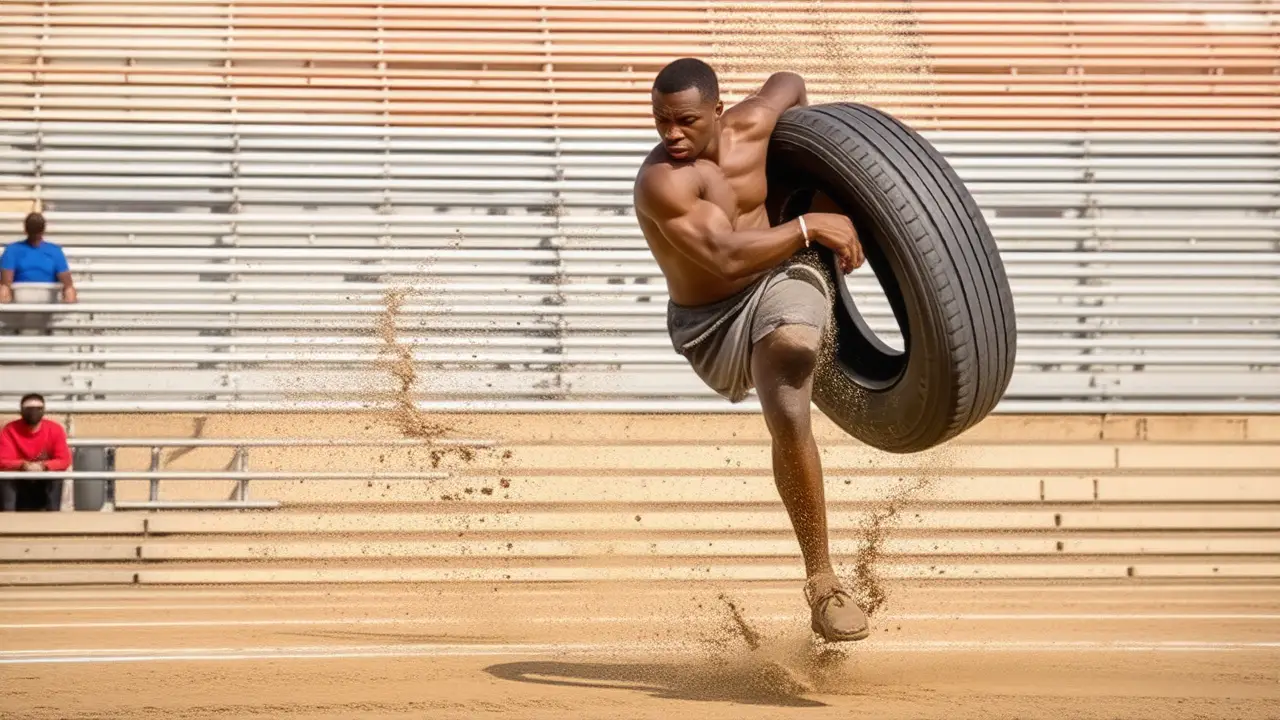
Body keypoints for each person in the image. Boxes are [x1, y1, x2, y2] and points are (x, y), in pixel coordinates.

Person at [632, 58, 870, 642]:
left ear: (718, 111)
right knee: (784, 350)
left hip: (780, 279)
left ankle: (823, 583)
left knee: (790, 349)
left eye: (685, 121)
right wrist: (810, 225)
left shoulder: (757, 122)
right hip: (710, 321)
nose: (671, 135)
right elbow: (725, 257)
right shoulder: (663, 180)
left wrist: (802, 180)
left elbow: (792, 81)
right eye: (660, 121)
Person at [0, 394, 72, 512]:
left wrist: (43, 466)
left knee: (56, 476)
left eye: (38, 408)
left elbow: (64, 460)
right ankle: (8, 521)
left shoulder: (54, 429)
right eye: (28, 409)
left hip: (44, 478)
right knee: (5, 477)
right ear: (21, 411)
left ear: (43, 411)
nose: (33, 412)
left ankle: (52, 520)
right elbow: (3, 460)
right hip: (18, 478)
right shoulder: (10, 430)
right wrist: (24, 465)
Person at [1, 212, 77, 304]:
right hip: (20, 302)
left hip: (47, 302)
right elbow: (5, 284)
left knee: (69, 289)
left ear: (25, 229)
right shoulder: (12, 250)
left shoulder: (54, 251)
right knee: (4, 289)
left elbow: (67, 285)